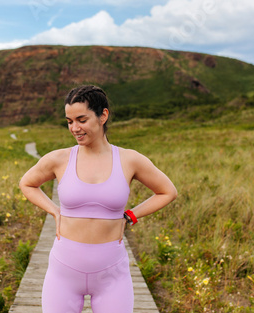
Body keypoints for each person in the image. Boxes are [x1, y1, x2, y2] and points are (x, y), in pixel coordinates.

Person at [19, 85, 177, 313]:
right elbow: (27, 183)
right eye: (69, 121)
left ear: (103, 115)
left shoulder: (129, 159)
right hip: (63, 273)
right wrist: (54, 211)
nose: (74, 128)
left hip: (112, 274)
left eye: (81, 119)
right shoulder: (59, 159)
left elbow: (167, 191)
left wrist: (130, 216)